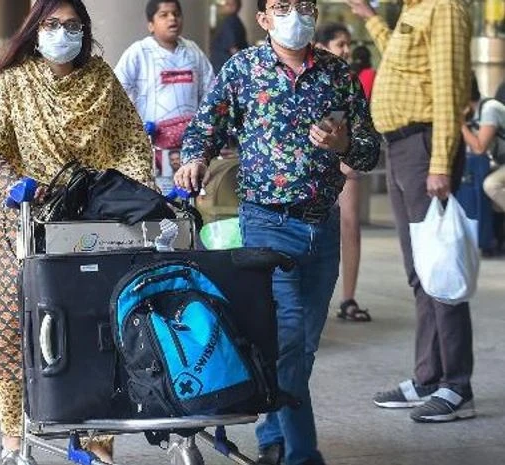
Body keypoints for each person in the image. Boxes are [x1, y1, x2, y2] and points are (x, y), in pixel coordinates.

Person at [0, 1, 153, 463]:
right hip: (22, 226)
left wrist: (133, 197)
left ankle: (98, 441)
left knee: (97, 332)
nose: (63, 33)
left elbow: (131, 145)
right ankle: (14, 440)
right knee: (11, 331)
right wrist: (9, 183)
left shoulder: (102, 83)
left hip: (89, 227)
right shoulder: (13, 84)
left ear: (85, 31)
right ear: (36, 31)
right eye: (53, 25)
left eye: (72, 26)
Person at [176, 0, 380, 462]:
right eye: (282, 7)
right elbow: (205, 126)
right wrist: (195, 158)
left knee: (302, 347)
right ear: (264, 20)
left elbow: (370, 151)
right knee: (287, 338)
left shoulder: (337, 73)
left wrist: (345, 143)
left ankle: (272, 432)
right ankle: (302, 454)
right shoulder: (242, 69)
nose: (295, 16)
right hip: (267, 225)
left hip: (321, 229)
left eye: (304, 6)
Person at [349, 0, 475, 423]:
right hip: (402, 147)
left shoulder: (444, 8)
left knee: (440, 267)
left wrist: (440, 160)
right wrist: (371, 20)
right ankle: (428, 375)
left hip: (423, 149)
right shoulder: (414, 9)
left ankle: (456, 384)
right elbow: (409, 68)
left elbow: (448, 90)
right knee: (420, 271)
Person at [114, 0, 214, 192]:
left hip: (189, 147)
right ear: (150, 24)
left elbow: (211, 93)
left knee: (188, 197)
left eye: (176, 13)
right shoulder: (138, 52)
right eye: (164, 14)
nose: (172, 19)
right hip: (153, 145)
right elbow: (117, 93)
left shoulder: (193, 51)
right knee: (158, 200)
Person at [314, 23, 372, 323]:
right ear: (322, 46)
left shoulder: (345, 79)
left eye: (348, 44)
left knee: (350, 227)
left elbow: (347, 123)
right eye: (340, 44)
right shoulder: (308, 76)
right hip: (310, 171)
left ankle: (348, 298)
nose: (346, 50)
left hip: (343, 163)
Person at [462, 75, 505, 212]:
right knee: (475, 186)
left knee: (491, 185)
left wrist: (460, 124)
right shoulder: (473, 113)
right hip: (501, 162)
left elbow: (479, 148)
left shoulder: (489, 109)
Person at [210, 0, 250, 71]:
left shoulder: (229, 22)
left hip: (224, 65)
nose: (225, 6)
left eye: (227, 4)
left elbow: (233, 48)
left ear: (234, 7)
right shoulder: (237, 22)